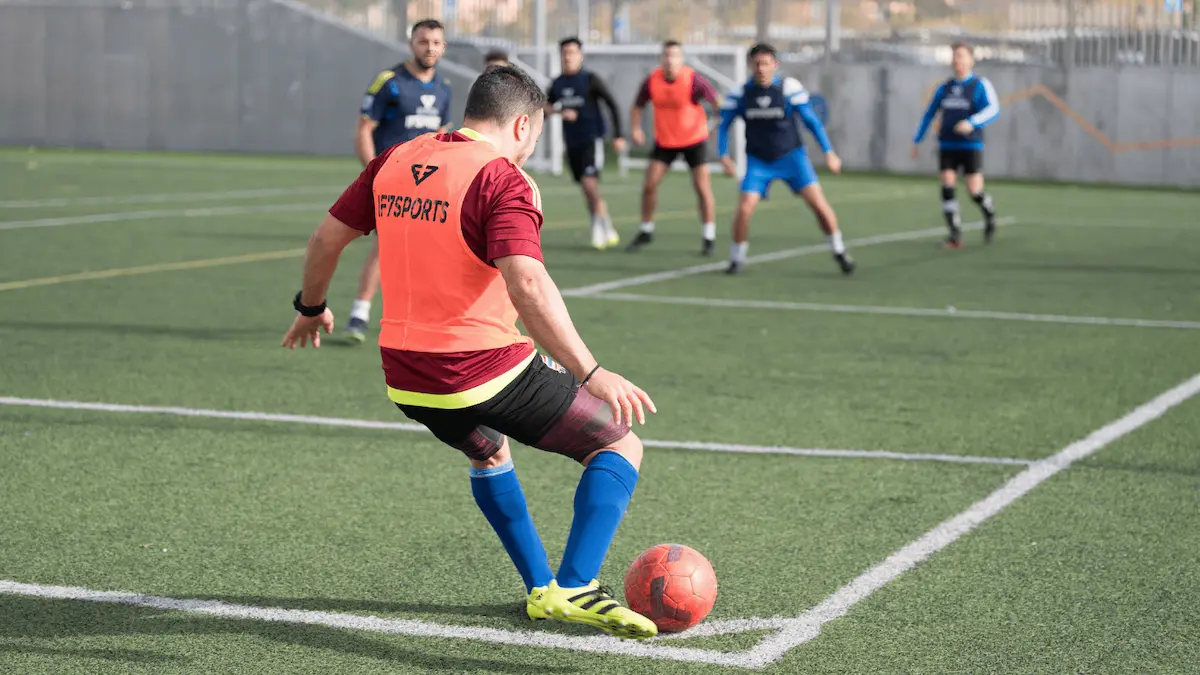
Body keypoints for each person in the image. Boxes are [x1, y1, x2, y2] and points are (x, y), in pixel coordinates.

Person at [280, 65, 659, 641]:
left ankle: (540, 590)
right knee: (620, 444)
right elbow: (527, 284)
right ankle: (577, 584)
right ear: (524, 123)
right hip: (479, 369)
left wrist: (311, 309)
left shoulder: (397, 158)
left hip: (406, 377)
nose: (534, 147)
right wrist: (592, 372)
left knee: (489, 454)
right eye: (535, 135)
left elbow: (325, 239)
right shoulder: (501, 178)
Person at [344, 19, 453, 344]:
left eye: (435, 42)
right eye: (423, 41)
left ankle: (420, 316)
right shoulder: (389, 82)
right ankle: (359, 313)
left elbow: (443, 136)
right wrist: (374, 172)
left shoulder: (444, 89)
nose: (429, 48)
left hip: (431, 183)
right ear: (411, 44)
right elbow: (364, 129)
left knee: (433, 250)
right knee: (386, 245)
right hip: (393, 180)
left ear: (443, 47)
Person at [717, 43, 854, 275]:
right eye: (757, 63)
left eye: (766, 63)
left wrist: (829, 152)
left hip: (792, 159)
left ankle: (839, 250)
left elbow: (811, 121)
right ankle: (736, 258)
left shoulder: (788, 89)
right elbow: (724, 126)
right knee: (743, 210)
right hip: (759, 162)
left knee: (820, 207)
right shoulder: (741, 93)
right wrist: (723, 155)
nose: (761, 68)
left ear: (775, 65)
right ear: (750, 65)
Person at [625, 40, 722, 255]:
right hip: (666, 141)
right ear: (661, 59)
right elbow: (637, 106)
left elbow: (717, 103)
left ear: (681, 59)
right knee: (649, 184)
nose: (670, 60)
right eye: (667, 56)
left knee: (702, 188)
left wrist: (715, 126)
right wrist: (635, 129)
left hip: (694, 139)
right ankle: (646, 229)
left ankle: (709, 235)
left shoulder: (694, 80)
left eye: (675, 56)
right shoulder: (652, 80)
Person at [911, 41, 1000, 248]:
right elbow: (929, 114)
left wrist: (972, 122)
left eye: (960, 56)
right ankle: (954, 236)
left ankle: (989, 212)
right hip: (947, 144)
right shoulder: (945, 87)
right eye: (954, 56)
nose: (956, 60)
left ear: (971, 60)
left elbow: (993, 109)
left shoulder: (979, 85)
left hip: (970, 145)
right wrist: (917, 139)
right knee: (947, 185)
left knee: (974, 192)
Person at [545, 37, 626, 250]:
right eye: (565, 53)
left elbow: (612, 104)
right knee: (586, 188)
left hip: (592, 139)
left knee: (590, 185)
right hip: (571, 143)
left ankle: (598, 228)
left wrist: (619, 135)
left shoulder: (589, 79)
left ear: (581, 55)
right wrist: (561, 111)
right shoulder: (557, 83)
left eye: (572, 52)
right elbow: (544, 107)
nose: (568, 56)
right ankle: (606, 226)